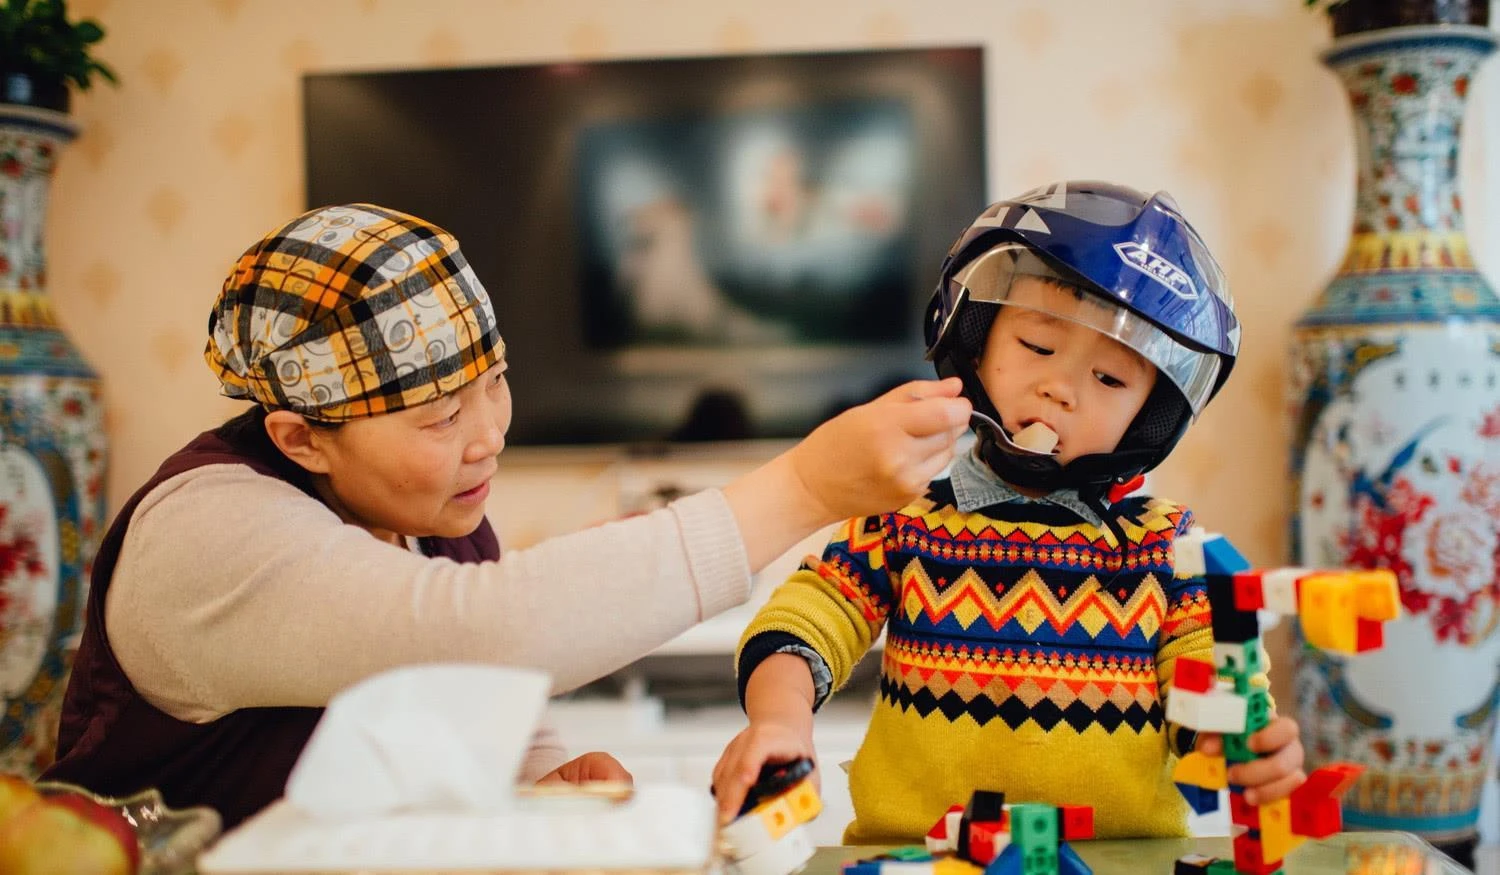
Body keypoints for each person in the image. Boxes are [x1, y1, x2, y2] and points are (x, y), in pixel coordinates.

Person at [40, 203, 971, 829]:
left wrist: (537, 775)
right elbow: (483, 632)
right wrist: (806, 488)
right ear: (301, 438)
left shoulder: (426, 515)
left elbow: (462, 694)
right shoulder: (207, 534)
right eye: (441, 416)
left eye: (496, 383)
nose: (488, 434)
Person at [710, 182, 1307, 842]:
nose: (1060, 388)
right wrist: (781, 721)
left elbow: (1216, 683)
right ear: (976, 342)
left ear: (1151, 416)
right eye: (1038, 347)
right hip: (924, 858)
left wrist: (1241, 747)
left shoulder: (1169, 549)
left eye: (1110, 379)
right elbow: (806, 620)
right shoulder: (904, 518)